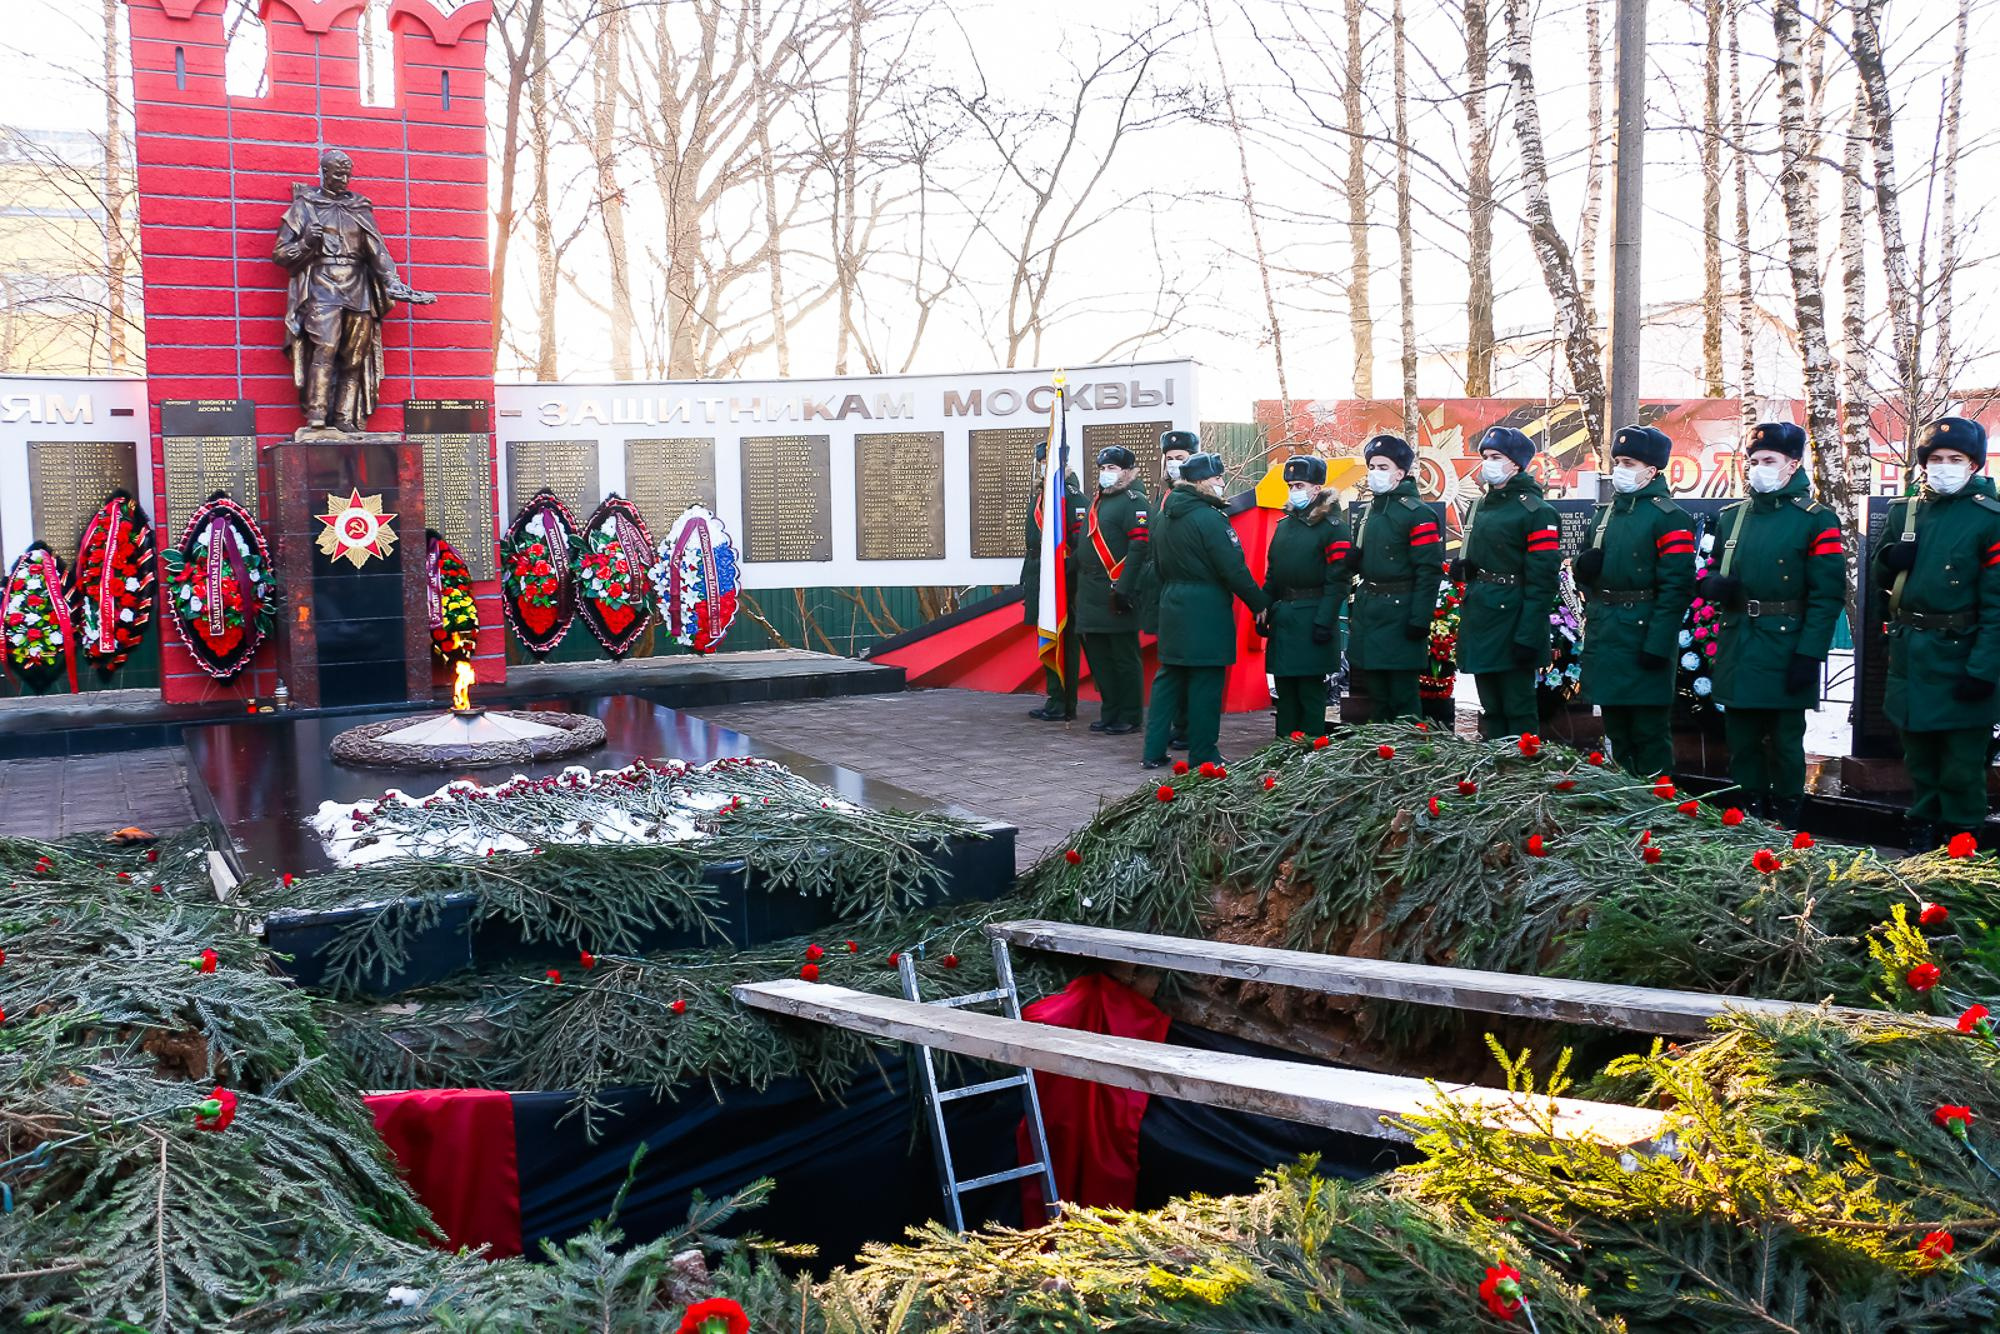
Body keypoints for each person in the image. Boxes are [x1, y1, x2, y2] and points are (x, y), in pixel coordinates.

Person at [1700, 421, 1845, 826]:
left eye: (1769, 460)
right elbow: (1713, 565)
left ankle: (1787, 812)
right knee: (1741, 736)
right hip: (1740, 640)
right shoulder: (1734, 517)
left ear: (1792, 464)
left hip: (1786, 643)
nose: (1758, 467)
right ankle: (1748, 810)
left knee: (1784, 739)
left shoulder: (1816, 519)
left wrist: (1809, 653)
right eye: (1753, 460)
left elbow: (1827, 594)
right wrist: (1714, 584)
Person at [1871, 415, 2000, 849]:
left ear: (1974, 465)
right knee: (1919, 756)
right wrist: (1889, 558)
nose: (1943, 466)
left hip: (1962, 654)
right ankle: (1922, 833)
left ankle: (1962, 843)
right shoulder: (1905, 511)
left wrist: (1983, 669)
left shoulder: (1990, 519)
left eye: (1955, 458)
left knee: (1962, 764)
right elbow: (1879, 580)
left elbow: (1998, 605)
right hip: (1912, 653)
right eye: (1935, 458)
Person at [272, 148, 434, 432]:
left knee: (354, 355)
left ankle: (345, 417)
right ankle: (317, 418)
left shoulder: (360, 206)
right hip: (322, 285)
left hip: (357, 286)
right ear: (324, 172)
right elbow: (281, 255)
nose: (344, 179)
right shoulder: (305, 207)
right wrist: (307, 242)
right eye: (338, 173)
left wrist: (392, 282)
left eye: (348, 173)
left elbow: (377, 252)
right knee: (325, 348)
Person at [1573, 424, 1696, 777]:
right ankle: (1622, 801)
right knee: (1616, 730)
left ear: (1651, 470)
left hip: (1644, 632)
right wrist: (1585, 566)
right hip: (1607, 633)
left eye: (1628, 462)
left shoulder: (1669, 517)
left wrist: (1658, 643)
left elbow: (1677, 586)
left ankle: (1657, 808)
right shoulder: (1605, 514)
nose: (1619, 470)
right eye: (1618, 461)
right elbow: (1583, 571)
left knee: (1649, 732)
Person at [1142, 452, 1271, 768]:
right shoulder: (1210, 518)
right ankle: (1204, 752)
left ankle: (1152, 751)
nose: (1221, 484)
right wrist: (1259, 604)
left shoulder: (1163, 516)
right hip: (1207, 609)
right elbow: (1233, 570)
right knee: (1206, 683)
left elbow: (1156, 565)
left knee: (1169, 679)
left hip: (1172, 604)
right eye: (1216, 478)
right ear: (1200, 481)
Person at [1454, 426, 1562, 739]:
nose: (1488, 463)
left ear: (1515, 463)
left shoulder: (1537, 511)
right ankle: (1496, 775)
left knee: (1518, 706)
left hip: (1514, 617)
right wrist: (1467, 568)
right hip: (1483, 614)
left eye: (1496, 457)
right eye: (1486, 456)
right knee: (1491, 707)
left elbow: (1543, 580)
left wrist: (1529, 634)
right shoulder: (1481, 506)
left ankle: (1523, 774)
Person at [1344, 433, 1443, 722]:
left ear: (1401, 473)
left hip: (1401, 612)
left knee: (1403, 698)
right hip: (1371, 612)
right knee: (1377, 697)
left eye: (1383, 467)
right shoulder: (1368, 512)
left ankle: (1409, 758)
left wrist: (1419, 618)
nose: (1375, 473)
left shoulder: (1418, 514)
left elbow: (1429, 571)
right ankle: (1380, 754)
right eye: (1372, 467)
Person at [1261, 454, 1351, 738]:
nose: (1293, 490)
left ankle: (1310, 751)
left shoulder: (1333, 527)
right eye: (1290, 485)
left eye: (1299, 484)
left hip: (1313, 616)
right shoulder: (1285, 525)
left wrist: (1324, 621)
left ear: (1317, 487)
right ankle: (1284, 750)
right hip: (1285, 618)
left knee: (1310, 694)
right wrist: (1263, 608)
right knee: (1285, 693)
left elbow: (1339, 579)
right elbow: (1273, 574)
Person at [1075, 445, 1151, 734]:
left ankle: (1130, 715)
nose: (1106, 474)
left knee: (1123, 658)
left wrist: (1124, 588)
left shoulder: (1134, 502)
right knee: (1099, 658)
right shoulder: (1099, 502)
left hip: (1115, 590)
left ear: (1127, 471)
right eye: (1103, 469)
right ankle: (1110, 711)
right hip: (1091, 592)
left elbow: (1140, 546)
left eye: (1113, 469)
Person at [1141, 429, 1198, 749]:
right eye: (1171, 459)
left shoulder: (1200, 497)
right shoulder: (1161, 497)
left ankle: (1188, 726)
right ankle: (1178, 724)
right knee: (1172, 663)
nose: (1174, 464)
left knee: (1187, 664)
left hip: (1186, 594)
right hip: (1164, 593)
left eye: (1181, 459)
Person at [1020, 440, 1084, 721]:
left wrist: (1064, 576)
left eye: (1051, 462)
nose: (1046, 467)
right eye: (1043, 462)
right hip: (1039, 577)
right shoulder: (1039, 497)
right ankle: (1054, 696)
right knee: (1046, 636)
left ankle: (1065, 701)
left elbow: (1078, 546)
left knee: (1065, 641)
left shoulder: (1072, 497)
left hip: (1061, 580)